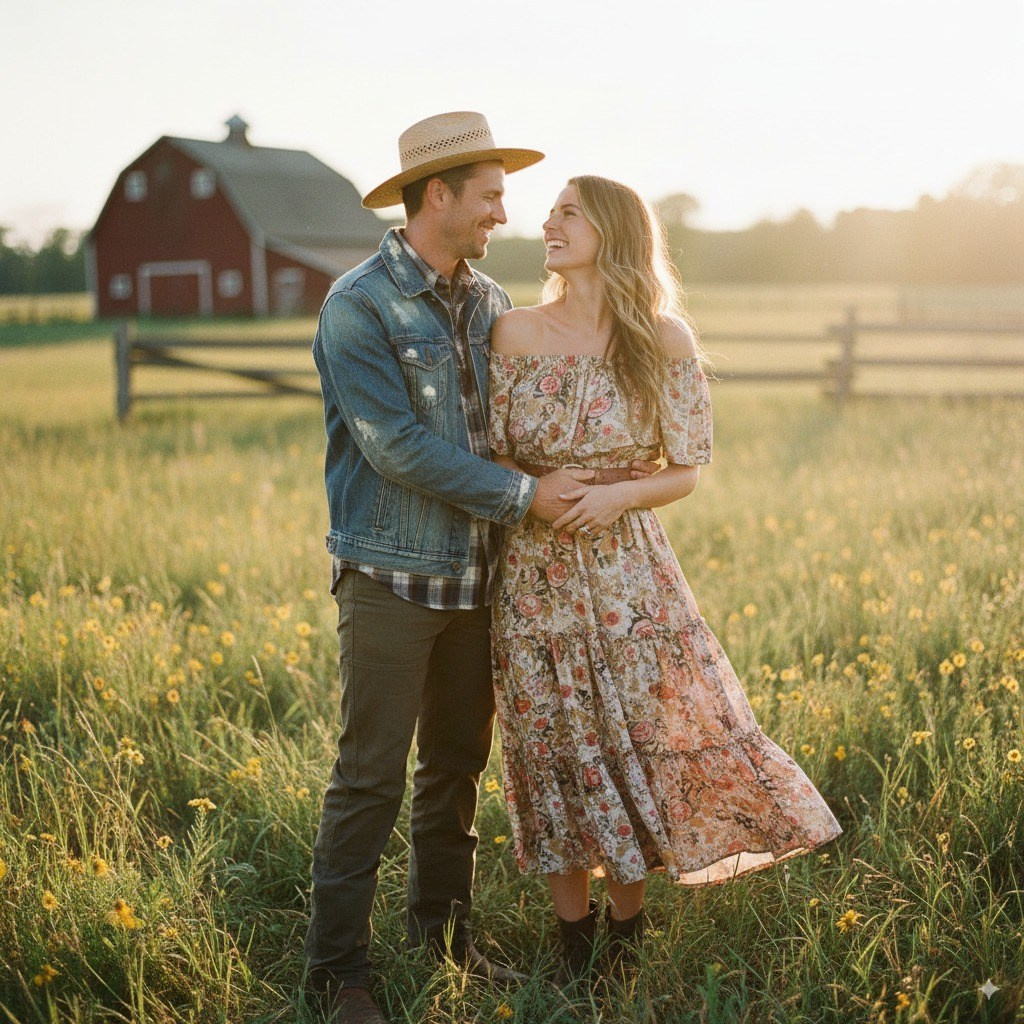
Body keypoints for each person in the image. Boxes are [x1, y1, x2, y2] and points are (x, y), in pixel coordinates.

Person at [305, 115, 655, 1024]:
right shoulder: (359, 305)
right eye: (491, 195)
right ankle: (339, 973)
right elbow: (396, 449)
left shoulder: (493, 303)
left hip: (479, 583)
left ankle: (443, 941)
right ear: (438, 197)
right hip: (390, 576)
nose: (506, 212)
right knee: (369, 776)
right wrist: (526, 496)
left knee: (455, 769)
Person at [487, 175, 843, 985]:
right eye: (550, 211)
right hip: (535, 572)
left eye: (567, 211)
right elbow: (493, 449)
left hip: (629, 576)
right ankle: (572, 946)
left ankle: (625, 931)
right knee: (553, 745)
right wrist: (535, 496)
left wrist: (614, 495)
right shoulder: (511, 332)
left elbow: (685, 469)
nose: (547, 221)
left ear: (611, 230)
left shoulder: (663, 338)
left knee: (633, 742)